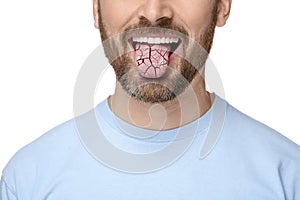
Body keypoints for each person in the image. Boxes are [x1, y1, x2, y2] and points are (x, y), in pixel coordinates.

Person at [1, 0, 300, 199]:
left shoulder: (288, 176)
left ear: (222, 6)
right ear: (96, 8)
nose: (155, 10)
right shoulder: (28, 179)